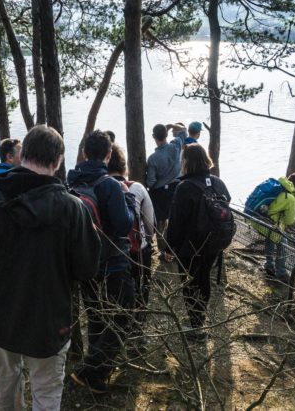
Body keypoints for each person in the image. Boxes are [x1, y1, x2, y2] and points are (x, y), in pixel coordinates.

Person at [0, 125, 100, 409]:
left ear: (23, 156)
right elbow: (87, 269)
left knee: (5, 381)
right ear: (57, 161)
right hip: (49, 321)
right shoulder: (73, 209)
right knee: (46, 392)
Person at [67, 130, 136, 393]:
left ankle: (96, 378)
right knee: (123, 316)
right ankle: (88, 370)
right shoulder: (109, 185)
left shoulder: (71, 182)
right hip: (114, 263)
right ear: (108, 155)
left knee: (96, 318)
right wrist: (128, 200)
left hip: (86, 263)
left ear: (84, 152)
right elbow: (122, 225)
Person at [165, 144, 231, 341]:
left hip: (190, 246)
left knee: (190, 283)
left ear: (187, 162)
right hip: (212, 242)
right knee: (203, 279)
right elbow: (226, 202)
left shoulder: (184, 187)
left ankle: (195, 326)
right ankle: (198, 321)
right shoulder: (217, 182)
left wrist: (169, 247)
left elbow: (176, 221)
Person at [107, 144, 156, 340]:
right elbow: (150, 224)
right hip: (137, 251)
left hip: (109, 252)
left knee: (112, 295)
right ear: (123, 166)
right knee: (140, 289)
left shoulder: (98, 187)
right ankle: (138, 332)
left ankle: (115, 333)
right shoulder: (136, 187)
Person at [253, 173, 295, 284]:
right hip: (269, 224)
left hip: (257, 219)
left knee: (271, 237)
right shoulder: (290, 198)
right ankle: (281, 273)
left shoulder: (276, 185)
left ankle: (269, 264)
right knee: (283, 242)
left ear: (288, 179)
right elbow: (290, 221)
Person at [146, 123, 187, 253]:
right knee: (174, 219)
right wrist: (170, 125)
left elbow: (151, 182)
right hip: (176, 188)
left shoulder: (153, 159)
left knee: (161, 222)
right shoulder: (175, 146)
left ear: (153, 136)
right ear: (167, 134)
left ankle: (163, 251)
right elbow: (184, 131)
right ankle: (174, 247)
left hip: (160, 194)